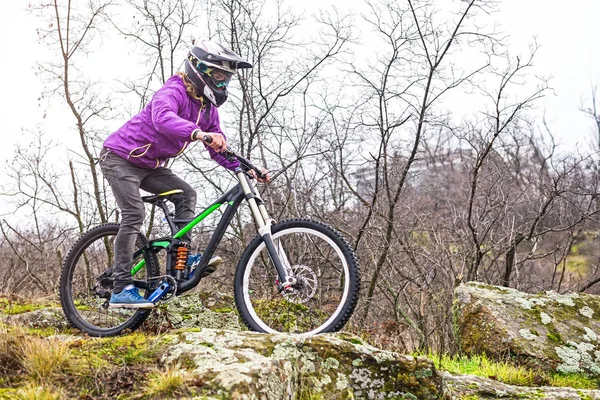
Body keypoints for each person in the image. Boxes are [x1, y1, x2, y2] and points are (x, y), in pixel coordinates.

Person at [99, 40, 257, 308]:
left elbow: (219, 149)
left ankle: (180, 260)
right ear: (200, 70)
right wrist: (198, 133)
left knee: (187, 194)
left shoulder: (208, 109)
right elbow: (163, 118)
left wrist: (248, 167)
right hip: (119, 159)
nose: (222, 82)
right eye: (218, 75)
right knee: (134, 213)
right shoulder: (173, 89)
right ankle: (120, 287)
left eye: (226, 77)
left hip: (149, 166)